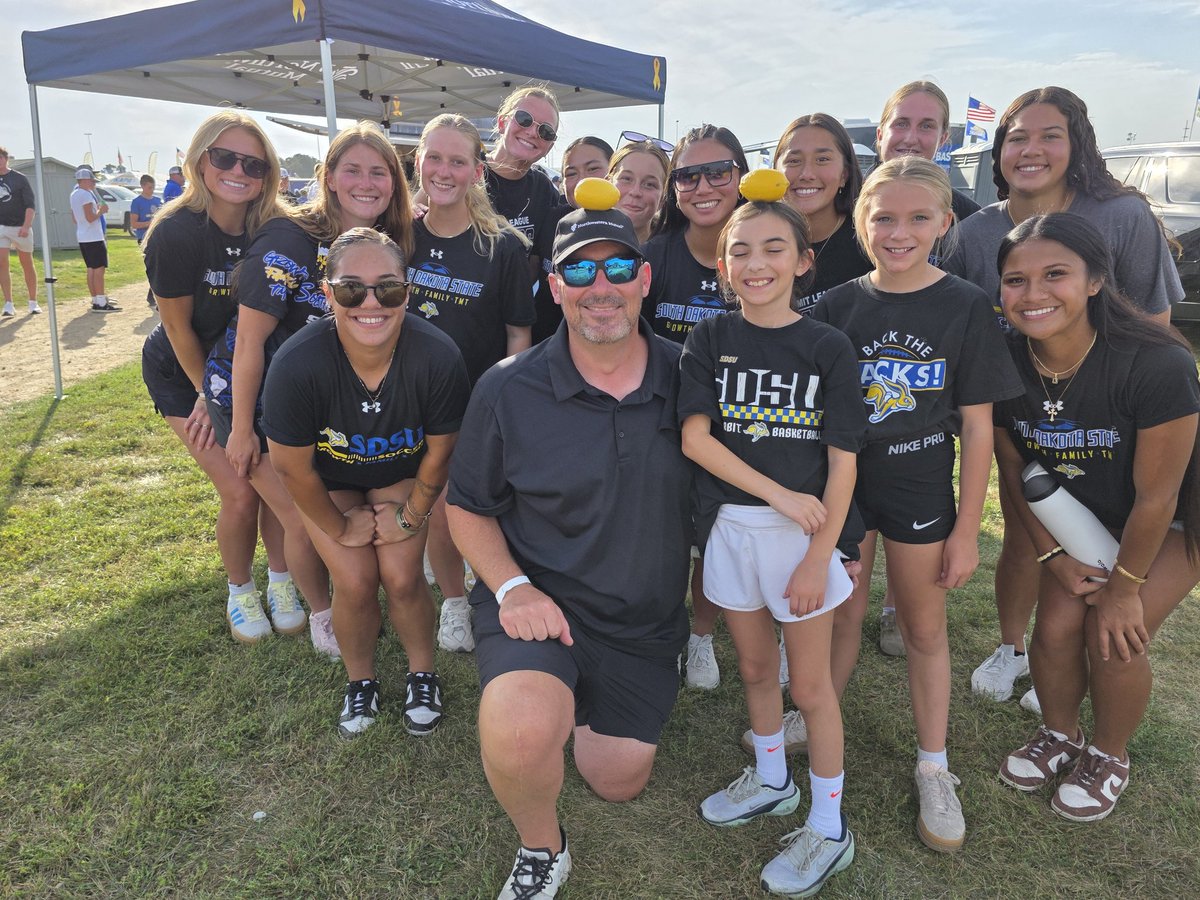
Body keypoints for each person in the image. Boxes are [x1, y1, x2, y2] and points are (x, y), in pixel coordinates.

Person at [445, 200, 693, 900]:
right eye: (578, 270)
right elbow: (466, 507)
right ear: (554, 288)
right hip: (539, 605)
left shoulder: (692, 376)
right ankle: (542, 848)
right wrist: (512, 589)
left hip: (642, 619)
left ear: (644, 278)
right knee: (522, 736)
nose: (600, 285)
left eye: (617, 266)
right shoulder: (507, 385)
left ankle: (586, 698)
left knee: (616, 782)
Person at [943, 87, 1185, 714]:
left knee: (1108, 606)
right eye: (1016, 137)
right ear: (997, 152)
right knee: (1029, 536)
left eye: (1050, 135)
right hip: (1023, 411)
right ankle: (1011, 651)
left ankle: (1092, 706)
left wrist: (1112, 413)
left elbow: (1153, 327)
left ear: (1076, 144)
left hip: (1115, 424)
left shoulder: (1121, 217)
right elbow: (964, 330)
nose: (1031, 149)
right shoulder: (975, 233)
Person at [811, 157, 1023, 852]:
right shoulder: (839, 303)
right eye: (883, 217)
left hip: (919, 485)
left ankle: (934, 764)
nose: (898, 232)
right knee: (841, 612)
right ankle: (820, 715)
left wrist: (968, 529)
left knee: (924, 628)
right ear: (861, 221)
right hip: (846, 483)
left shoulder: (964, 304)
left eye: (916, 218)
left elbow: (980, 424)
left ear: (944, 223)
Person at [681, 180, 864, 897]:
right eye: (740, 251)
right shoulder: (710, 336)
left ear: (802, 261)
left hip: (803, 542)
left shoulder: (828, 346)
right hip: (734, 529)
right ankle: (771, 781)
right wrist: (777, 494)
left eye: (773, 249)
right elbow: (696, 439)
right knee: (756, 671)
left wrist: (820, 555)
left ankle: (828, 826)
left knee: (811, 687)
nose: (755, 263)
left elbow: (845, 462)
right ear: (723, 265)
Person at [991, 212, 1200, 822]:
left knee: (1112, 635)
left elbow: (1158, 499)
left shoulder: (1155, 362)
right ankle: (1062, 735)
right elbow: (1014, 473)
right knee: (1055, 625)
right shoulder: (1005, 362)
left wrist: (1125, 590)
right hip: (1080, 516)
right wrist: (1053, 558)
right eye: (1015, 280)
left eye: (1054, 274)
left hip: (1173, 522)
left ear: (1093, 280)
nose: (1033, 295)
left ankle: (1110, 755)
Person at [206, 121, 415, 657]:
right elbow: (249, 341)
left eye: (379, 171)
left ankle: (304, 594)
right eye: (352, 170)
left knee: (310, 513)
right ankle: (323, 615)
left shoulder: (387, 245)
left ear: (395, 181)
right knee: (305, 515)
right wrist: (243, 427)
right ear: (327, 177)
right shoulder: (290, 238)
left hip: (320, 407)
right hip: (254, 398)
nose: (366, 183)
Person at [262, 227, 470, 739]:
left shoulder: (437, 354)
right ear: (328, 291)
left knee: (401, 576)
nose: (371, 303)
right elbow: (291, 467)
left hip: (403, 474)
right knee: (354, 582)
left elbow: (443, 449)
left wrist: (413, 514)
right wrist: (338, 526)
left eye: (389, 288)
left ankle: (423, 674)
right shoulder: (297, 363)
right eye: (353, 289)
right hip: (330, 481)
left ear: (409, 290)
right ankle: (361, 681)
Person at [141, 111, 293, 644]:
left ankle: (281, 580)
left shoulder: (272, 226)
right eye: (223, 157)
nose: (238, 170)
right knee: (240, 487)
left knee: (275, 481)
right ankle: (240, 591)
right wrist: (208, 395)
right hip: (184, 375)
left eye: (253, 162)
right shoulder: (175, 233)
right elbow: (178, 329)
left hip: (249, 370)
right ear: (199, 160)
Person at [408, 113, 534, 655]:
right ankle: (454, 606)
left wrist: (506, 406)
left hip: (476, 401)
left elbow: (518, 333)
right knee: (434, 505)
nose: (444, 170)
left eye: (457, 160)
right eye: (434, 157)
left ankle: (489, 586)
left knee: (473, 504)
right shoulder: (399, 233)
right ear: (418, 162)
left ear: (476, 171)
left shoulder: (502, 246)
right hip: (407, 399)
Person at [644, 123, 749, 690]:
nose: (703, 184)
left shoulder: (759, 248)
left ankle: (702, 636)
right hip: (664, 419)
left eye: (718, 172)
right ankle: (661, 623)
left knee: (717, 534)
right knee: (661, 533)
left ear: (741, 177)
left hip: (742, 424)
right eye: (688, 174)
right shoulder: (655, 255)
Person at [774, 114, 872, 315]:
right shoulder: (758, 241)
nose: (807, 174)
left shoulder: (871, 240)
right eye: (793, 161)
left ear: (844, 174)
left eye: (822, 159)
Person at [70, 167, 117, 312]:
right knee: (99, 269)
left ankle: (96, 299)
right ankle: (101, 302)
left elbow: (75, 219)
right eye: (91, 180)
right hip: (93, 237)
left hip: (83, 235)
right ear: (84, 180)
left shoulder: (74, 194)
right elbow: (90, 217)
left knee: (91, 268)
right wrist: (100, 211)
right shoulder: (85, 194)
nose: (93, 182)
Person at [0, 146, 40, 316]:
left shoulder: (19, 179)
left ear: (6, 159)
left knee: (27, 263)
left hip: (20, 227)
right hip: (1, 228)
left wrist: (26, 225)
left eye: (0, 157)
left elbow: (30, 205)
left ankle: (33, 302)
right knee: (2, 264)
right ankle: (8, 303)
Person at [606, 139, 669, 244]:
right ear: (608, 183)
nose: (635, 192)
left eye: (649, 184)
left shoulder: (676, 253)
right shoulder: (580, 245)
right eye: (626, 179)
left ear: (663, 197)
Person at [560, 136, 614, 208]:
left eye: (593, 169)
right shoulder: (551, 218)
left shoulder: (630, 214)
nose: (582, 181)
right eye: (571, 174)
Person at [129, 174, 163, 244]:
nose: (152, 190)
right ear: (142, 186)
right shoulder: (137, 202)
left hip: (157, 236)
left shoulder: (158, 200)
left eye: (153, 187)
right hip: (143, 237)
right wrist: (150, 223)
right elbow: (134, 224)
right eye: (150, 188)